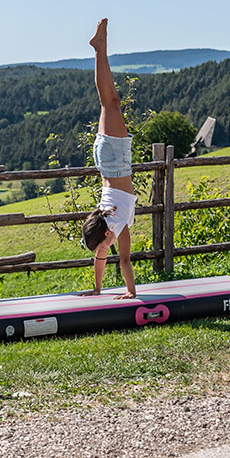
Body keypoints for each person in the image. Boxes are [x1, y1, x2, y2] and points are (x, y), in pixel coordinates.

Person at [80, 18, 138, 300]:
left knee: (110, 101)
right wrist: (99, 289)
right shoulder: (112, 226)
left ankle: (99, 49)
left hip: (114, 160)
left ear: (105, 235)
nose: (105, 251)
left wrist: (132, 292)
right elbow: (109, 256)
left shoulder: (114, 221)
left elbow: (119, 258)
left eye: (103, 246)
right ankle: (100, 48)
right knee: (109, 100)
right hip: (108, 161)